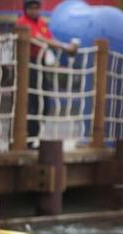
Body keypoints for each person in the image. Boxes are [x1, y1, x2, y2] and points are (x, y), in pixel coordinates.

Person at [16, 0, 78, 145]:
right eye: (31, 8)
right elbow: (39, 39)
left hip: (40, 64)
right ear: (26, 9)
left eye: (36, 8)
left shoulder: (42, 23)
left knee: (43, 103)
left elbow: (49, 39)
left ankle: (34, 137)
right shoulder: (22, 23)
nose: (34, 11)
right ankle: (26, 140)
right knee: (29, 102)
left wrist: (66, 47)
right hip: (27, 64)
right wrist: (65, 47)